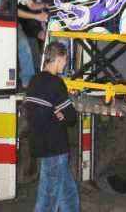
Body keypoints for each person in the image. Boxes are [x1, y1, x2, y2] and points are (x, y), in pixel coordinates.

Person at [24, 41, 79, 212]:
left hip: (39, 143)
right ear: (59, 58)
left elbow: (33, 112)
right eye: (64, 60)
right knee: (48, 197)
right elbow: (71, 117)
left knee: (68, 192)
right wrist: (60, 115)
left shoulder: (34, 80)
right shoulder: (56, 83)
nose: (64, 64)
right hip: (55, 146)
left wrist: (56, 113)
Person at [16, 0, 47, 87]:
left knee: (25, 46)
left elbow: (32, 5)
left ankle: (27, 82)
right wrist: (37, 16)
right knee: (24, 45)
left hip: (14, 23)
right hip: (1, 21)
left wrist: (45, 4)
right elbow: (16, 12)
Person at [21, 0, 57, 71]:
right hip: (32, 29)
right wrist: (38, 32)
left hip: (51, 27)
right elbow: (28, 18)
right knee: (32, 49)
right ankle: (36, 72)